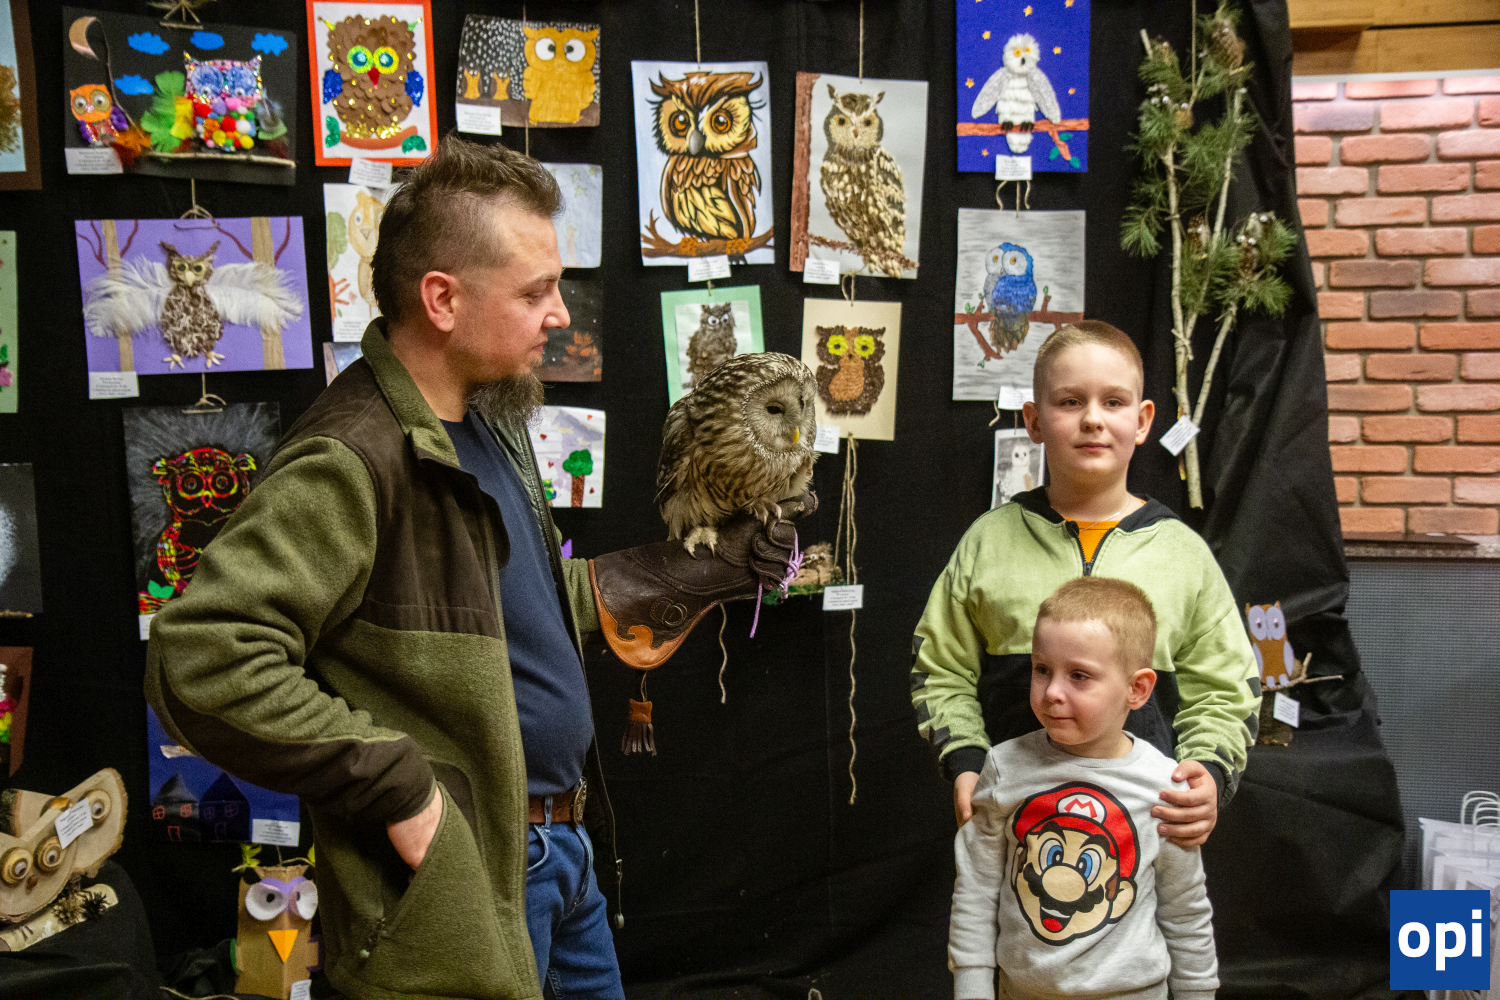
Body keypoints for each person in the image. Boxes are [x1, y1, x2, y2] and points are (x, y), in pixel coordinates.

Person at [144, 134, 808, 1000]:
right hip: (467, 882)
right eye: (535, 292)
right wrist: (402, 789)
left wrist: (688, 571)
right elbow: (201, 657)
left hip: (561, 855)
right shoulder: (352, 457)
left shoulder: (486, 420)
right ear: (442, 299)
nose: (559, 313)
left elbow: (504, 616)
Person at [911, 320, 1259, 846]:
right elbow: (940, 668)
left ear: (1142, 421)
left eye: (1113, 402)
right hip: (1009, 830)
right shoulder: (988, 542)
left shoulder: (1183, 554)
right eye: (1070, 402)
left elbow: (1225, 687)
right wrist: (965, 758)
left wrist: (1208, 770)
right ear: (1034, 421)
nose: (1093, 419)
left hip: (1145, 834)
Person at [949, 577, 1219, 1000]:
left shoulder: (1164, 785)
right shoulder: (1003, 767)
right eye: (1042, 669)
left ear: (1137, 689)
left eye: (1079, 675)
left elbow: (1186, 912)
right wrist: (971, 988)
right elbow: (976, 892)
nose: (1052, 692)